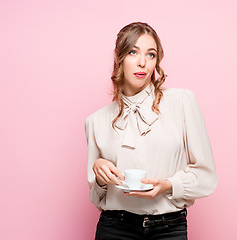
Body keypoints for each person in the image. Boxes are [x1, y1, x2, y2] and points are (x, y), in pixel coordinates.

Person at [85, 22, 218, 240]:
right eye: (133, 52)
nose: (142, 63)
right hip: (115, 228)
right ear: (119, 58)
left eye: (151, 55)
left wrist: (168, 185)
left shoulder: (182, 102)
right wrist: (99, 175)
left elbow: (206, 175)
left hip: (168, 228)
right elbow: (97, 197)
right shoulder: (96, 121)